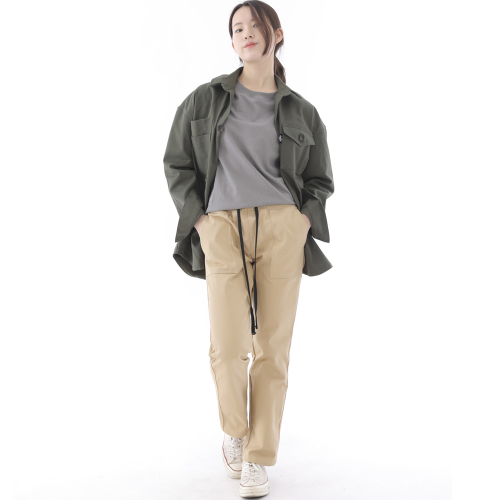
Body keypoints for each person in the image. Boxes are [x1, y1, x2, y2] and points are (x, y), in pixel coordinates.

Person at [163, 1, 334, 497]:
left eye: (254, 26)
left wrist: (302, 220)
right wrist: (200, 220)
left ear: (276, 33)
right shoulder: (205, 99)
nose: (246, 34)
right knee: (229, 345)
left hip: (282, 230)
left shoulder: (302, 111)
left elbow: (321, 179)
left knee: (273, 349)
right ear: (232, 41)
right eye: (237, 28)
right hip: (223, 228)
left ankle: (259, 456)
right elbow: (176, 162)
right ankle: (235, 432)